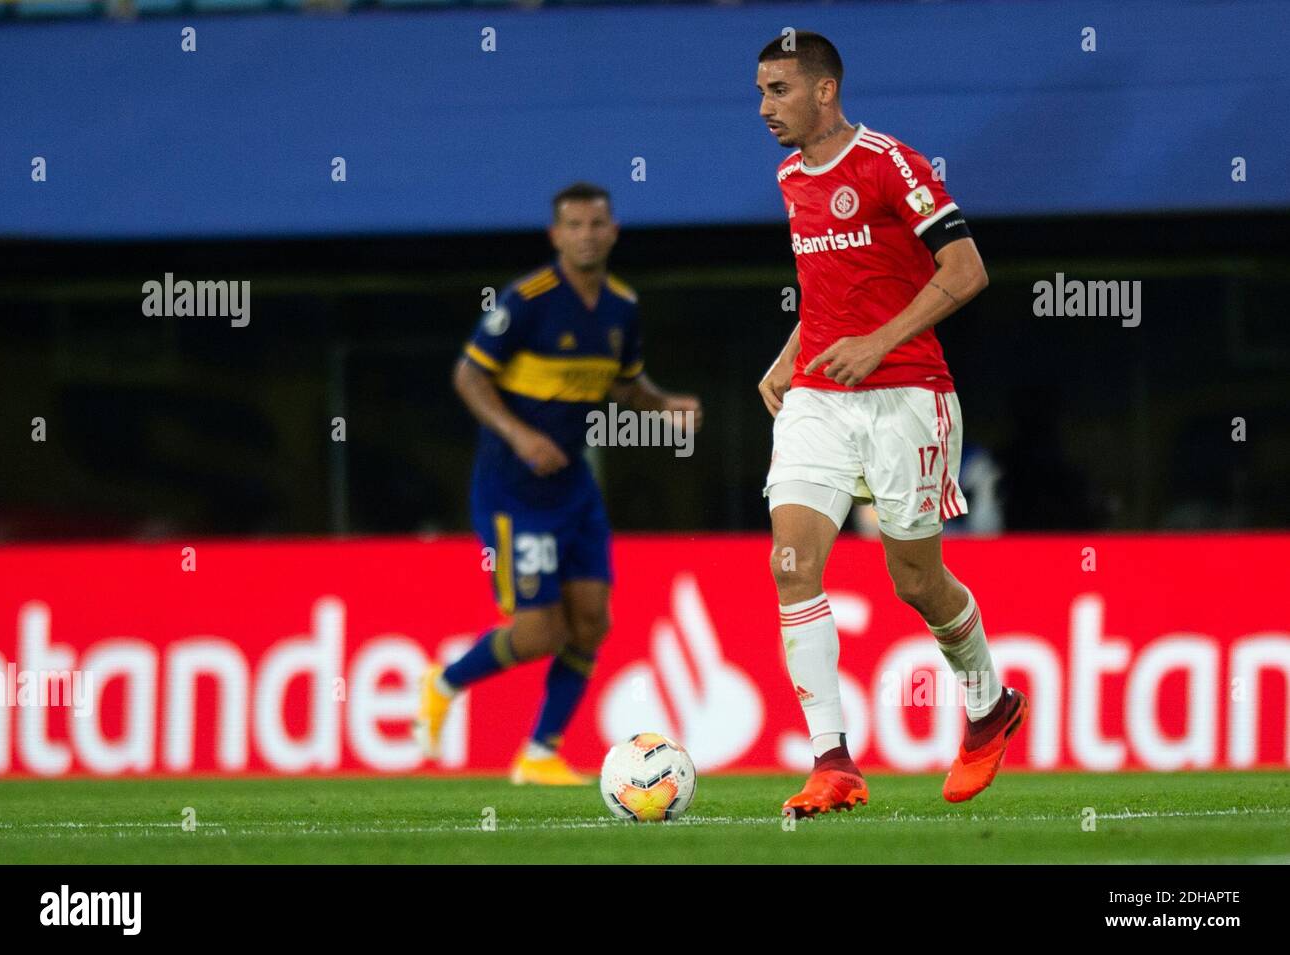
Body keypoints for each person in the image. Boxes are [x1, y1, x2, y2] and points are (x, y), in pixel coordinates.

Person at [755, 32, 1028, 816]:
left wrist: (877, 342)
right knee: (790, 564)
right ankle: (832, 761)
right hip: (818, 396)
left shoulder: (890, 163)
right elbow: (828, 292)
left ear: (824, 90)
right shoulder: (787, 176)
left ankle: (986, 705)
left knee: (914, 580)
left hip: (907, 392)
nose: (765, 108)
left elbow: (967, 270)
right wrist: (789, 356)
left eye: (778, 90)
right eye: (762, 92)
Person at [416, 182, 702, 784]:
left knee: (594, 621)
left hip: (575, 489)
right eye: (574, 226)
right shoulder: (527, 300)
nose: (587, 235)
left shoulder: (623, 307)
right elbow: (469, 377)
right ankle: (444, 682)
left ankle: (540, 752)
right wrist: (519, 435)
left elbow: (624, 387)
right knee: (541, 632)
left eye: (597, 224)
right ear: (556, 236)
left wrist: (665, 403)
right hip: (512, 490)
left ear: (613, 231)